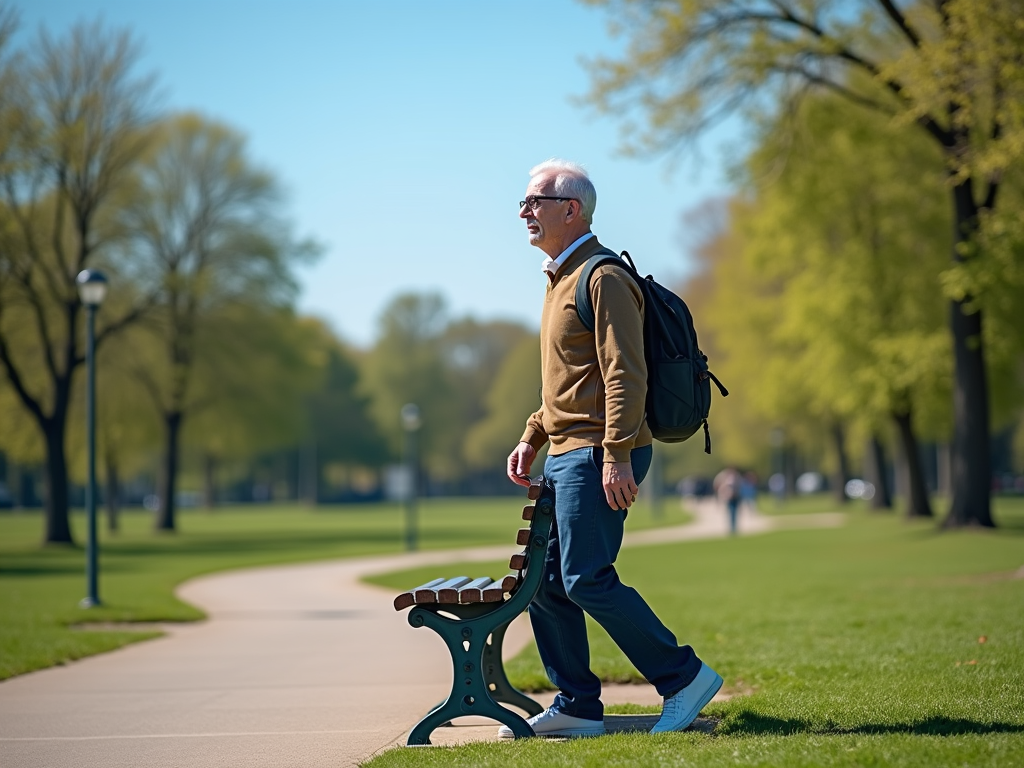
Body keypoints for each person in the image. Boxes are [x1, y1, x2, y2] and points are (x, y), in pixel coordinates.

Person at [504, 159, 722, 739]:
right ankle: (577, 704)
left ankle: (684, 677)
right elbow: (568, 384)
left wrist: (617, 453)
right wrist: (531, 437)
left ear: (570, 209)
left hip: (597, 453)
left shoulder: (601, 278)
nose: (524, 212)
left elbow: (625, 374)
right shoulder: (558, 281)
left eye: (534, 201)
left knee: (586, 579)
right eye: (524, 203)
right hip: (566, 452)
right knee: (546, 584)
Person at [713, 466, 743, 535]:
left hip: (735, 496)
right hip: (729, 497)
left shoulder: (737, 477)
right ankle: (732, 528)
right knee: (731, 512)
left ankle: (734, 528)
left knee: (734, 512)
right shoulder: (725, 477)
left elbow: (739, 486)